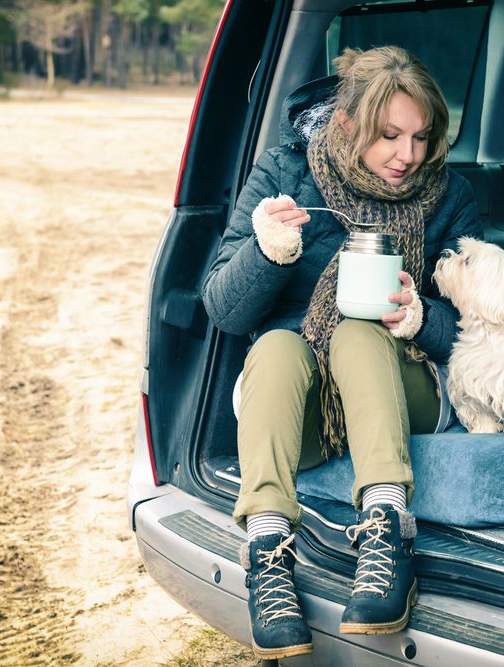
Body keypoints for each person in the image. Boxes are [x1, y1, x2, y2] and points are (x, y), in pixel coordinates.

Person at [202, 45, 482, 659]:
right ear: (347, 122)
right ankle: (269, 555)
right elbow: (222, 310)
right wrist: (268, 252)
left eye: (421, 136)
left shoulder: (450, 195)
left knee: (360, 328)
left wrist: (423, 319)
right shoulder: (284, 172)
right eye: (389, 135)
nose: (407, 156)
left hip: (405, 385)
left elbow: (481, 325)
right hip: (297, 404)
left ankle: (387, 536)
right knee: (277, 344)